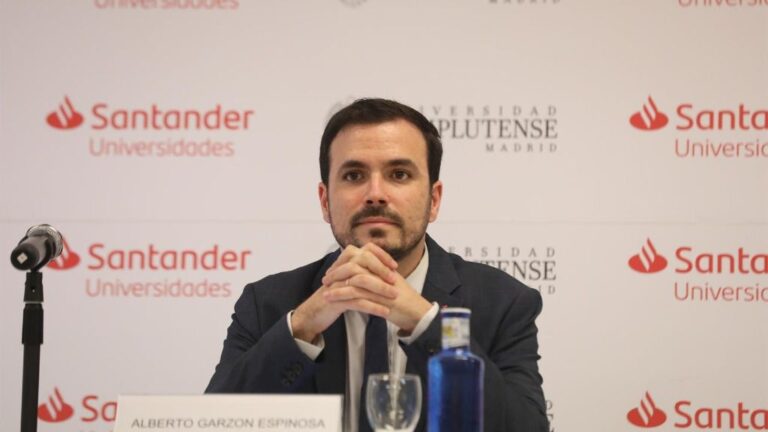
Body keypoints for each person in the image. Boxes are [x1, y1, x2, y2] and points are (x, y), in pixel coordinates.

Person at [205, 98, 548, 432]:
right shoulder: (268, 304)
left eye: (399, 174)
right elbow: (214, 425)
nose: (375, 194)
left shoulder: (502, 302)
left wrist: (425, 323)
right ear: (325, 202)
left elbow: (527, 427)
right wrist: (304, 327)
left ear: (434, 200)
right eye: (354, 176)